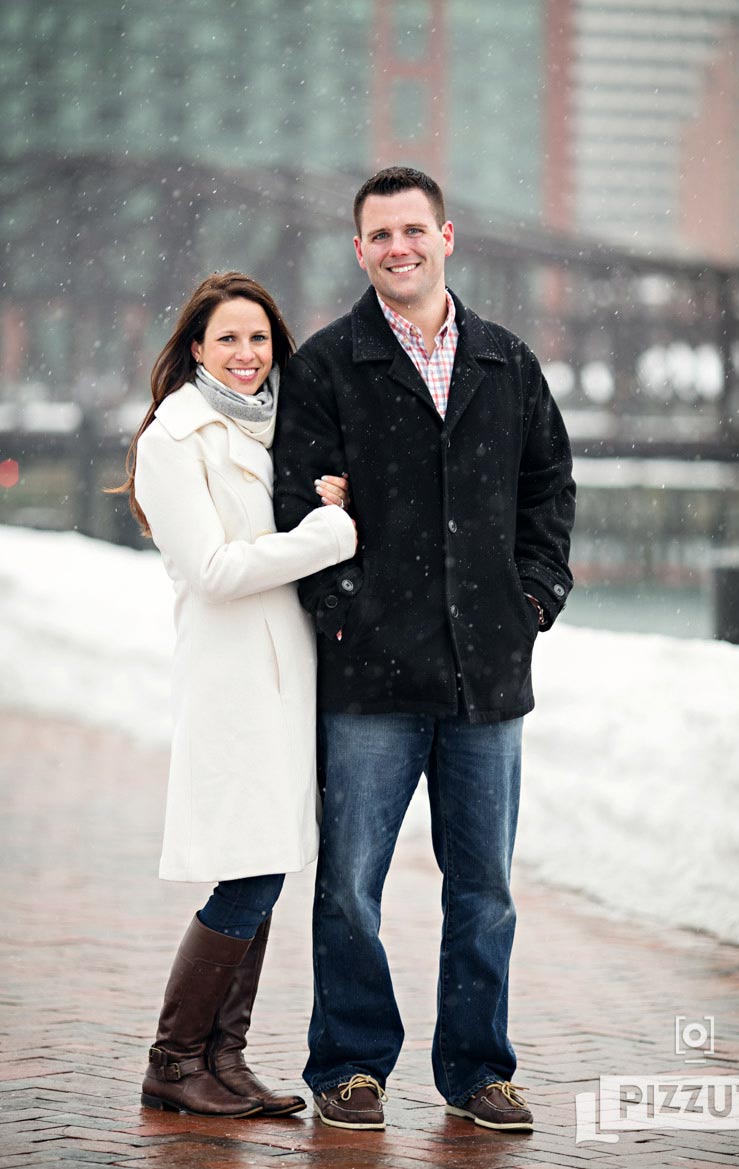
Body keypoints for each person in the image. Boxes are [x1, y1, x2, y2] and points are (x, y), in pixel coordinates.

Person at [272, 167, 575, 1133]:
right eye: (379, 235)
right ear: (358, 250)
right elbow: (292, 504)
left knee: (482, 888)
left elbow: (548, 489)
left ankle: (479, 1069)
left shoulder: (504, 361)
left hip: (488, 669)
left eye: (414, 230)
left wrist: (533, 594)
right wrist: (345, 609)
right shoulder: (327, 366)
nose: (398, 248)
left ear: (448, 236)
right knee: (350, 884)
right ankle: (352, 1064)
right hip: (368, 674)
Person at [115, 272, 357, 1118]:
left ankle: (224, 1058)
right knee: (247, 877)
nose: (247, 355)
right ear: (194, 349)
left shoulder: (272, 426)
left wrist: (327, 500)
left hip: (283, 677)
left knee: (266, 865)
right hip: (232, 680)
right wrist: (324, 533)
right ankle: (173, 1058)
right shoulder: (174, 438)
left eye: (259, 339)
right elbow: (213, 569)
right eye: (227, 339)